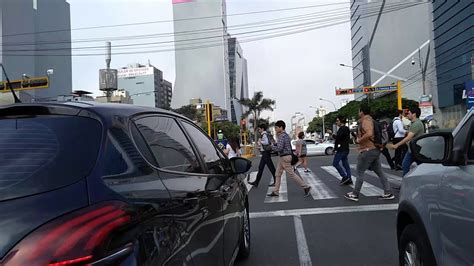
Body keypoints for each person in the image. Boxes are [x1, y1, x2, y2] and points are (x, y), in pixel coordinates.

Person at [344, 103, 395, 202]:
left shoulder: (366, 120)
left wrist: (359, 140)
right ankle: (388, 192)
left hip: (368, 150)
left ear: (362, 111)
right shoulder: (370, 120)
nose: (358, 112)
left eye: (359, 111)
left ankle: (355, 194)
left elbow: (369, 133)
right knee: (380, 172)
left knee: (360, 172)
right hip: (374, 150)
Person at [268, 120, 311, 197]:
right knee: (277, 174)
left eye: (277, 128)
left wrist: (271, 146)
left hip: (285, 157)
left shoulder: (281, 136)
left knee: (291, 174)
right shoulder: (286, 135)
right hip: (283, 157)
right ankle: (276, 191)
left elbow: (279, 148)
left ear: (281, 127)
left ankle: (306, 187)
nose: (276, 129)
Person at [387, 107, 424, 176]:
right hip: (412, 149)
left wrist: (396, 145)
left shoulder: (417, 124)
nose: (407, 115)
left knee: (415, 166)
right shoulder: (412, 123)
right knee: (405, 165)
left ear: (414, 114)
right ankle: (406, 183)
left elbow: (408, 137)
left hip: (417, 149)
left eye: (409, 113)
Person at [333, 115, 352, 185]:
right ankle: (349, 179)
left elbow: (338, 138)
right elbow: (338, 140)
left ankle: (345, 177)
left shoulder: (344, 128)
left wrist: (332, 134)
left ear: (341, 121)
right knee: (345, 164)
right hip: (343, 149)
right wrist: (335, 148)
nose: (336, 122)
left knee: (335, 163)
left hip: (342, 149)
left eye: (337, 121)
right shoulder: (343, 128)